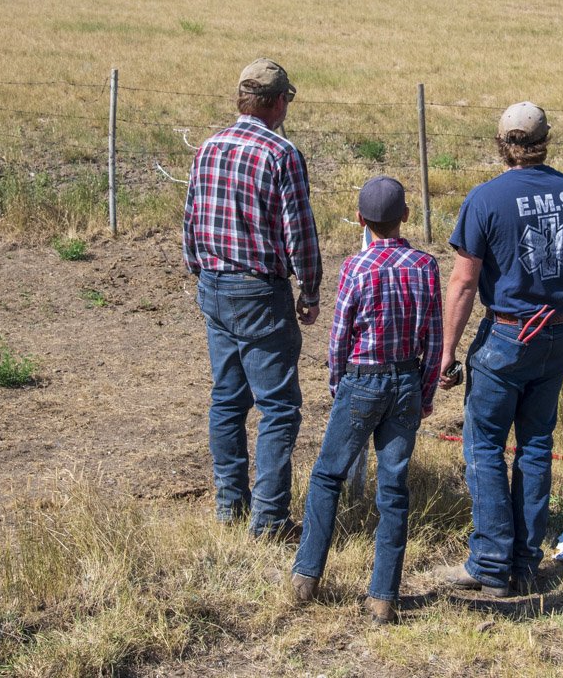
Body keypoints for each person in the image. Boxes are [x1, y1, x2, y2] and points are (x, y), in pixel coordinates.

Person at [434, 101, 563, 596]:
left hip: (509, 335)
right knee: (536, 445)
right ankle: (527, 563)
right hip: (558, 332)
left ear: (501, 142)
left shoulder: (486, 199)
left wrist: (446, 351)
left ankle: (490, 563)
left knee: (485, 444)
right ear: (546, 139)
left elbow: (465, 282)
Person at [291, 175, 443, 625]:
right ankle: (382, 597)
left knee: (327, 476)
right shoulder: (425, 266)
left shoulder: (356, 269)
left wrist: (340, 384)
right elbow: (432, 340)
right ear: (406, 217)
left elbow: (339, 339)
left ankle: (307, 575)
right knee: (393, 489)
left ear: (360, 219)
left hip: (362, 378)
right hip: (405, 382)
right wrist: (426, 391)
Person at [184, 57, 322, 540]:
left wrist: (198, 267)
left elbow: (192, 214)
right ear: (278, 101)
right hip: (260, 289)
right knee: (279, 406)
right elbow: (298, 230)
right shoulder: (280, 154)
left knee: (227, 399)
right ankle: (269, 520)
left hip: (214, 282)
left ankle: (229, 507)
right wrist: (310, 287)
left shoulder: (209, 147)